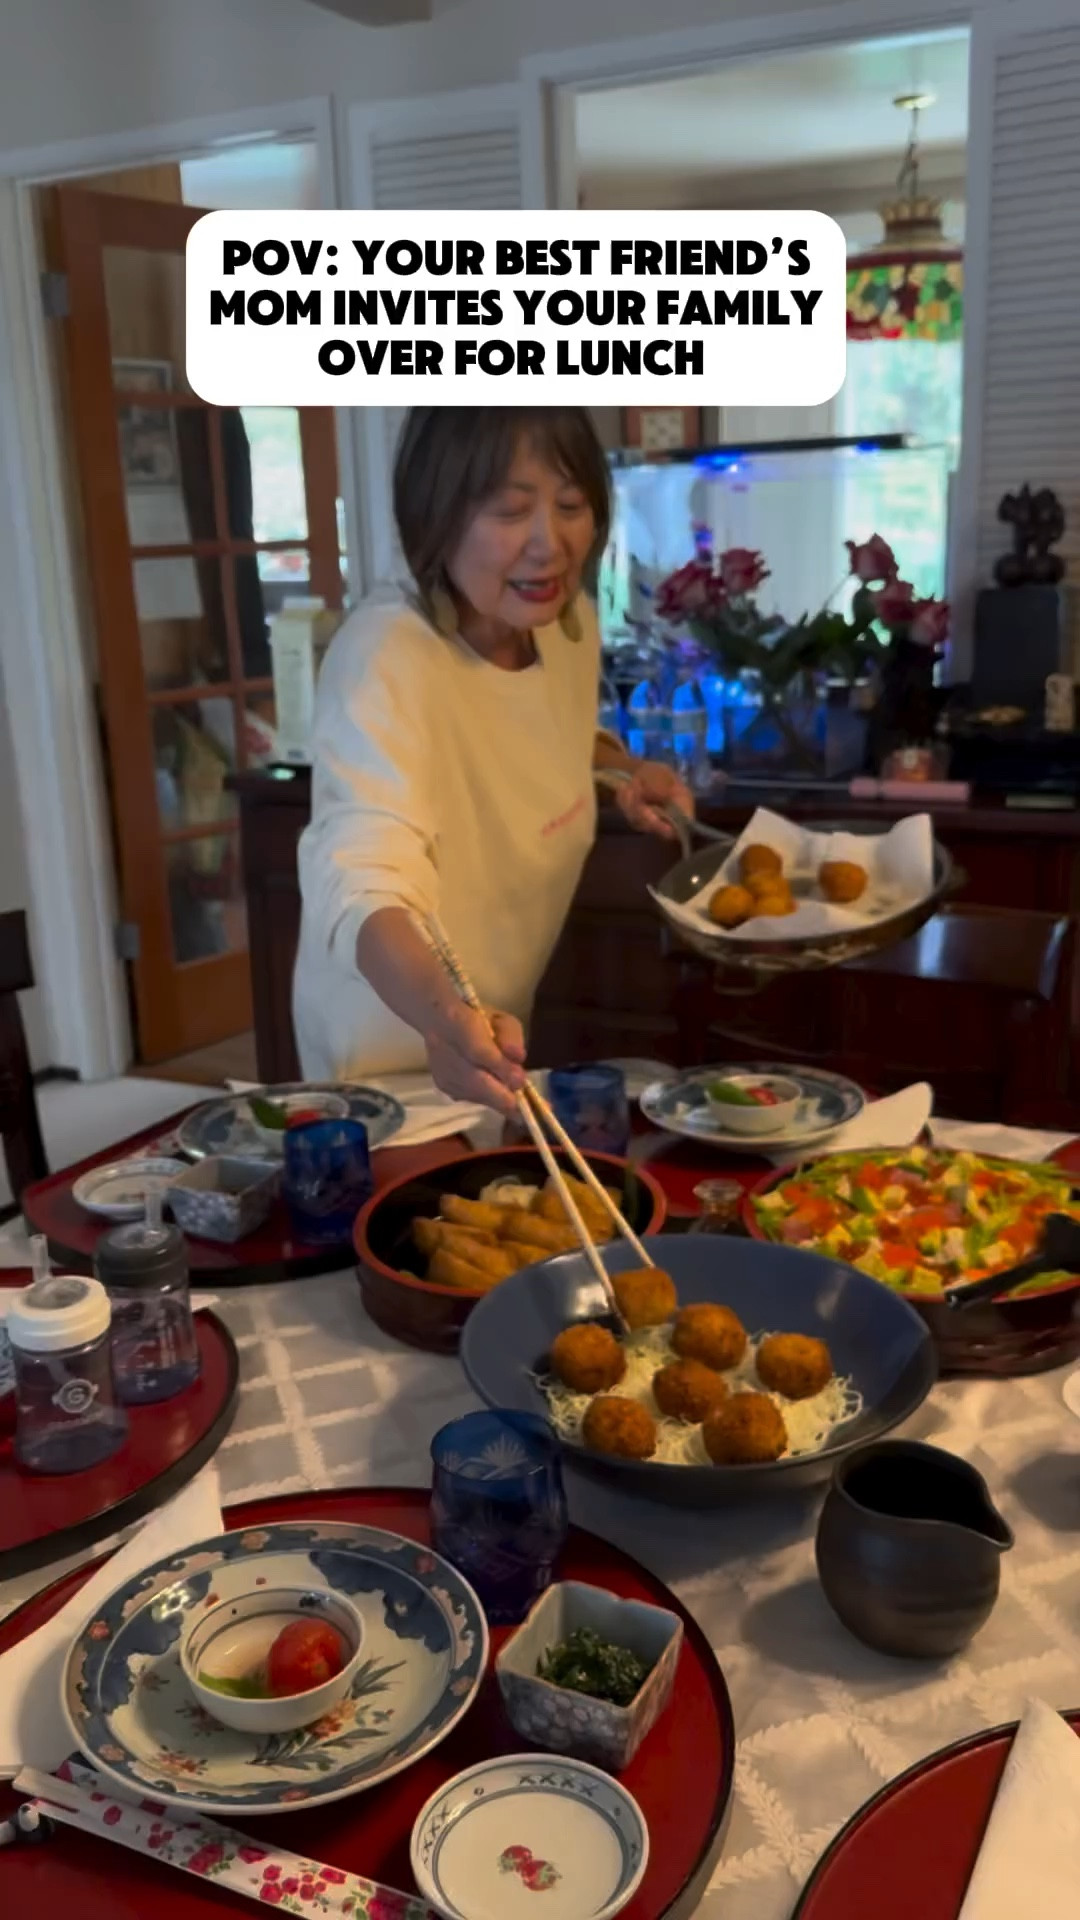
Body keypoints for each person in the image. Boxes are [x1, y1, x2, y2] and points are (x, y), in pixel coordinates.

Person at [293, 406, 693, 1116]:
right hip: (391, 1047)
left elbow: (538, 732)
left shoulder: (565, 627)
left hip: (495, 1032)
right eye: (511, 511)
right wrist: (442, 1017)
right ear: (435, 515)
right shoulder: (386, 654)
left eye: (571, 506)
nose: (550, 542)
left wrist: (623, 772)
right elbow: (364, 877)